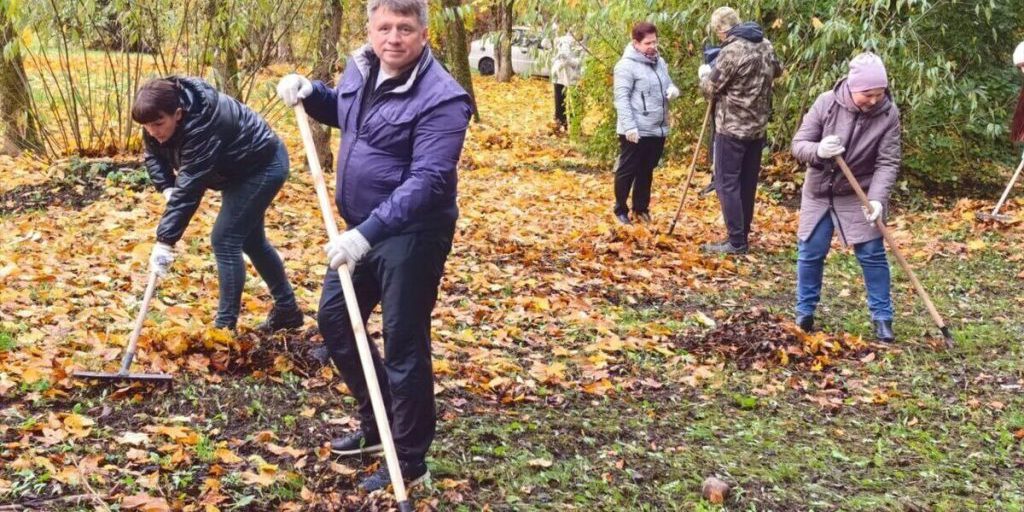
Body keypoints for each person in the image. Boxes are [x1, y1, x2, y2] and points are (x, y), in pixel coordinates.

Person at [275, 0, 472, 493]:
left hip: (411, 235)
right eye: (384, 27)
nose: (393, 37)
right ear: (371, 29)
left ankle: (410, 460)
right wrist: (311, 93)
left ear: (424, 35)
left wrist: (366, 235)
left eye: (405, 28)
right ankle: (377, 422)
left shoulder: (443, 98)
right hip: (360, 229)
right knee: (337, 322)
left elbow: (428, 180)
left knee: (404, 343)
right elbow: (351, 112)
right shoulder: (362, 66)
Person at [133, 77, 302, 332]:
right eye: (147, 127)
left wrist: (165, 241)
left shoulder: (204, 124)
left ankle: (224, 329)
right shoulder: (156, 112)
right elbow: (153, 153)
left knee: (225, 239)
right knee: (251, 241)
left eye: (158, 124)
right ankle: (288, 310)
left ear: (178, 114)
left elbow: (191, 184)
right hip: (235, 172)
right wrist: (167, 187)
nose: (153, 132)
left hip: (262, 166)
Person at [790, 52, 901, 342]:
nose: (874, 100)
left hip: (859, 193)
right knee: (810, 252)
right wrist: (818, 151)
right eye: (868, 94)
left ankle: (882, 318)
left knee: (872, 254)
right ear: (853, 88)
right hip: (819, 192)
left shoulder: (888, 114)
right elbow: (799, 144)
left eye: (879, 93)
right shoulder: (826, 103)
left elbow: (887, 162)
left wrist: (877, 199)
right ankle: (804, 314)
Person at [698, 7, 783, 253]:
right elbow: (777, 70)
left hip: (732, 128)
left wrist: (704, 75)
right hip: (757, 128)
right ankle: (742, 234)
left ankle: (736, 241)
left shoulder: (732, 50)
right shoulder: (765, 44)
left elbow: (712, 89)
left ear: (721, 29)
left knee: (727, 182)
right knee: (747, 182)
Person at [612, 21, 679, 225]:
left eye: (655, 42)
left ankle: (641, 208)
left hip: (657, 128)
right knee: (628, 169)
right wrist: (629, 126)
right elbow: (621, 98)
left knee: (646, 170)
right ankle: (620, 209)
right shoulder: (625, 66)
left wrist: (673, 91)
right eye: (648, 43)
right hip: (635, 129)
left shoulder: (660, 62)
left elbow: (666, 84)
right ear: (636, 43)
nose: (652, 46)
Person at [550, 31, 582, 131]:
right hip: (559, 76)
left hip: (574, 78)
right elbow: (553, 56)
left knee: (574, 102)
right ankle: (560, 122)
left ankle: (575, 126)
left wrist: (569, 61)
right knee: (559, 100)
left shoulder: (581, 45)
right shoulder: (560, 40)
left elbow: (581, 62)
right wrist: (559, 61)